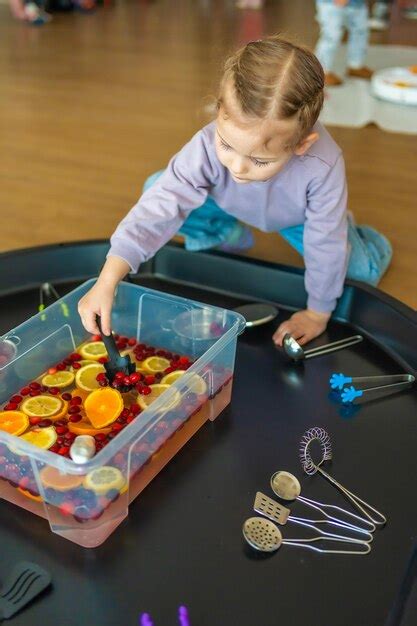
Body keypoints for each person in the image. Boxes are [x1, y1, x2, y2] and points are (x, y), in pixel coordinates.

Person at [78, 36, 391, 347]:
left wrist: (317, 313)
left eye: (259, 160)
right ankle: (228, 232)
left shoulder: (323, 164)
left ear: (301, 144)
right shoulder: (206, 142)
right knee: (156, 186)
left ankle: (359, 235)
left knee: (357, 275)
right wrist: (108, 279)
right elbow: (161, 205)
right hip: (226, 204)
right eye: (226, 145)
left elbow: (325, 243)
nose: (238, 167)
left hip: (297, 219)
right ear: (219, 112)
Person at [315, 0, 373, 86]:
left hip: (358, 3)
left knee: (360, 31)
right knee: (331, 36)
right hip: (331, 3)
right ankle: (321, 72)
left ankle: (355, 65)